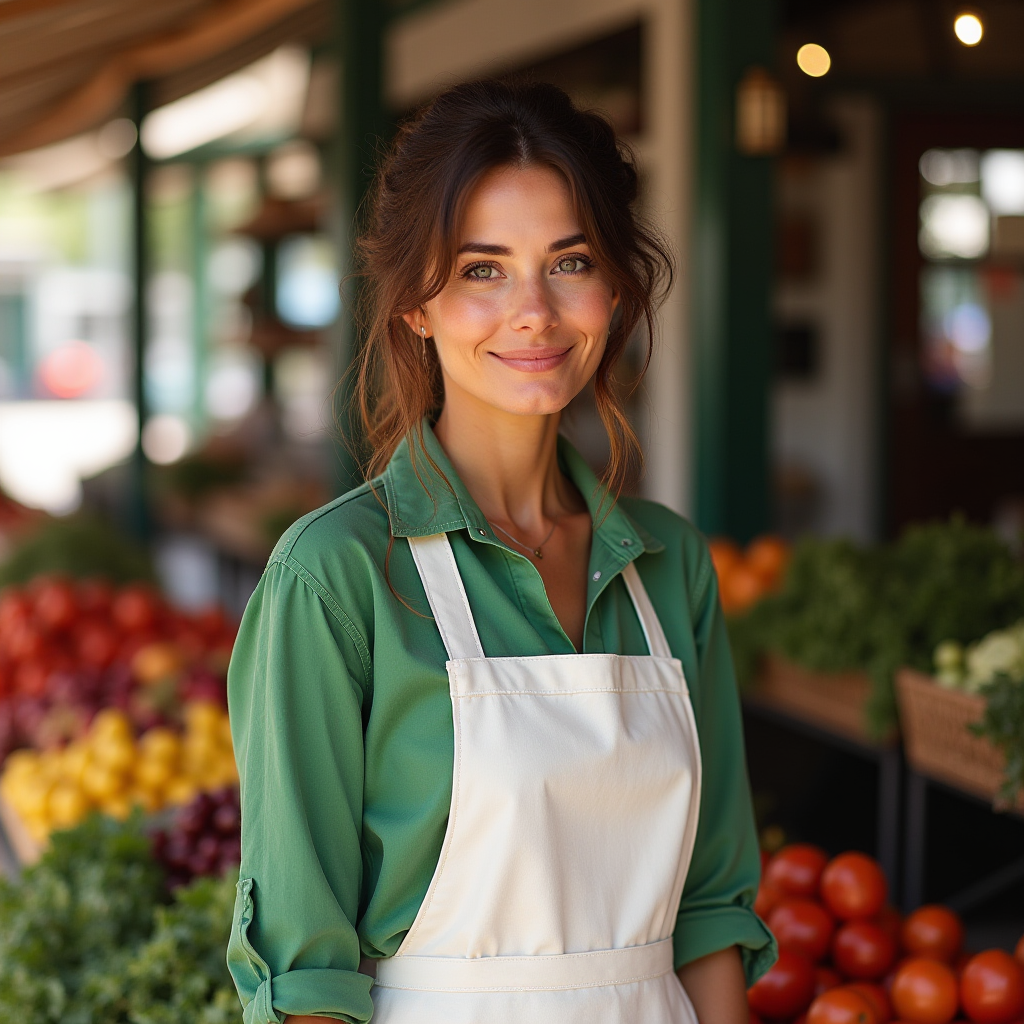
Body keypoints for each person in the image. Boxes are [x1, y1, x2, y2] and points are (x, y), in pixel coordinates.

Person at [227, 78, 775, 1024]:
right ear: (414, 306)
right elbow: (304, 976)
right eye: (483, 269)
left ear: (615, 288)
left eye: (569, 261)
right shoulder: (336, 576)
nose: (534, 311)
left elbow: (711, 911)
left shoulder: (669, 565)